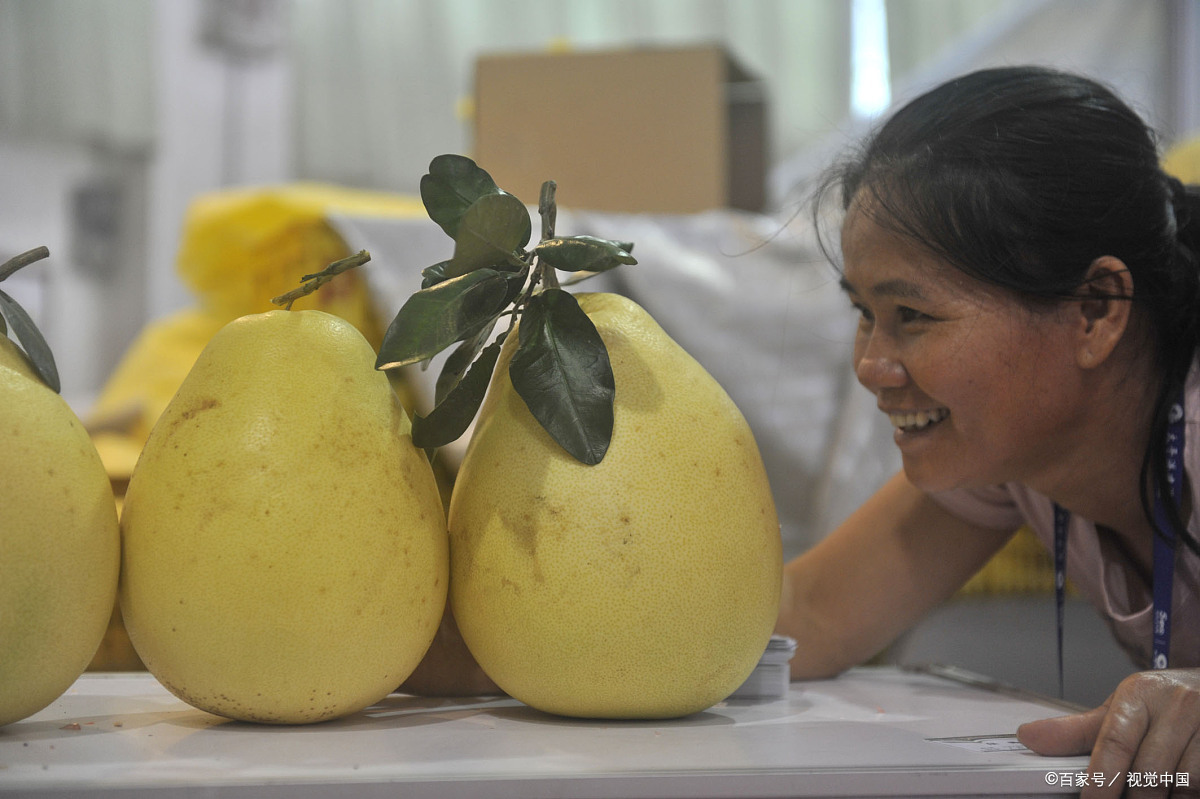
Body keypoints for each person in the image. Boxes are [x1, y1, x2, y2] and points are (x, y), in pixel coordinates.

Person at [773, 65, 1200, 794]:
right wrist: (530, 649)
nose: (873, 365)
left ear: (1095, 309)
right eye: (863, 314)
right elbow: (809, 613)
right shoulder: (1020, 450)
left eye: (913, 315)